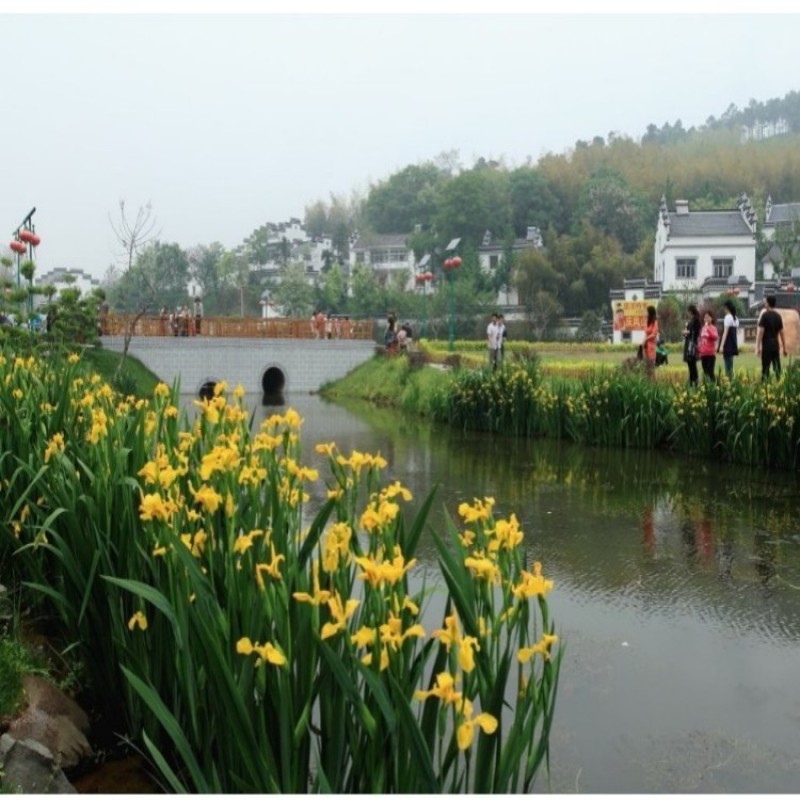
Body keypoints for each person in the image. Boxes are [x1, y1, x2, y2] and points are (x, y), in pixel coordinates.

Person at [756, 295, 787, 381]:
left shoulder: (764, 316)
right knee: (777, 367)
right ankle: (779, 384)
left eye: (765, 302)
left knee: (765, 369)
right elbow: (782, 333)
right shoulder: (778, 316)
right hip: (775, 345)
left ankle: (765, 386)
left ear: (768, 304)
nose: (764, 304)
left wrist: (758, 347)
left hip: (766, 345)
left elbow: (760, 332)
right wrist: (784, 348)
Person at [717, 299, 739, 380]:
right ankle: (731, 380)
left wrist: (721, 346)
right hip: (733, 343)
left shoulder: (727, 317)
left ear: (726, 308)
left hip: (727, 344)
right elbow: (735, 333)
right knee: (730, 364)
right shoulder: (735, 318)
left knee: (727, 365)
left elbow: (725, 333)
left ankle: (728, 381)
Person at [698, 309, 718, 383]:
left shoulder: (713, 328)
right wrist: (699, 350)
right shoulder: (703, 328)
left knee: (710, 372)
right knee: (705, 372)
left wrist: (708, 329)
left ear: (711, 318)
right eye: (705, 318)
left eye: (708, 317)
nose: (706, 319)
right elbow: (701, 339)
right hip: (703, 354)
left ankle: (714, 386)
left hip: (710, 354)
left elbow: (715, 337)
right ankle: (706, 387)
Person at [683, 304, 701, 386]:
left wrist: (685, 332)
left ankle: (694, 381)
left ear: (690, 311)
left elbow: (693, 332)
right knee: (692, 364)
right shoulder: (695, 320)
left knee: (691, 364)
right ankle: (692, 380)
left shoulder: (694, 320)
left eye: (688, 311)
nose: (687, 313)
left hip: (691, 345)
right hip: (692, 343)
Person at [643, 305, 658, 380]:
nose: (645, 313)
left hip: (651, 346)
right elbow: (646, 333)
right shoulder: (647, 322)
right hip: (646, 347)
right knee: (646, 367)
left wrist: (646, 339)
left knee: (651, 367)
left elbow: (654, 334)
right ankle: (647, 384)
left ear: (650, 313)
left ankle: (654, 385)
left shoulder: (655, 322)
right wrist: (643, 342)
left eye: (647, 312)